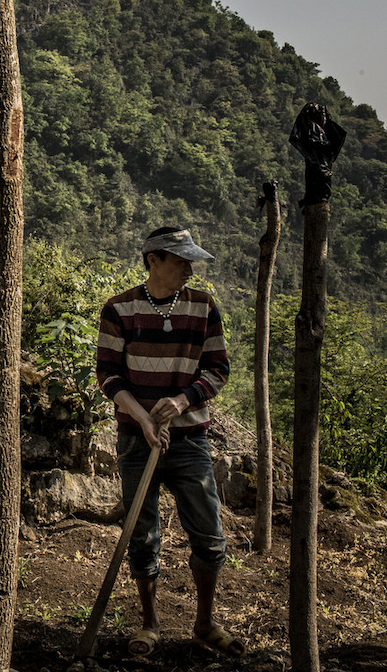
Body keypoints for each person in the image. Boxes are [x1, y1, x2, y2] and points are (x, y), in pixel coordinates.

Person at [95, 226, 245, 658]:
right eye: (180, 260)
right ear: (153, 260)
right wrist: (142, 417)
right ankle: (149, 623)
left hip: (190, 440)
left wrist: (181, 401)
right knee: (141, 535)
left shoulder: (203, 308)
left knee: (210, 535)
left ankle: (204, 622)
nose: (188, 268)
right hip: (136, 439)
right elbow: (108, 373)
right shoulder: (120, 308)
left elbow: (217, 369)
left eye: (190, 260)